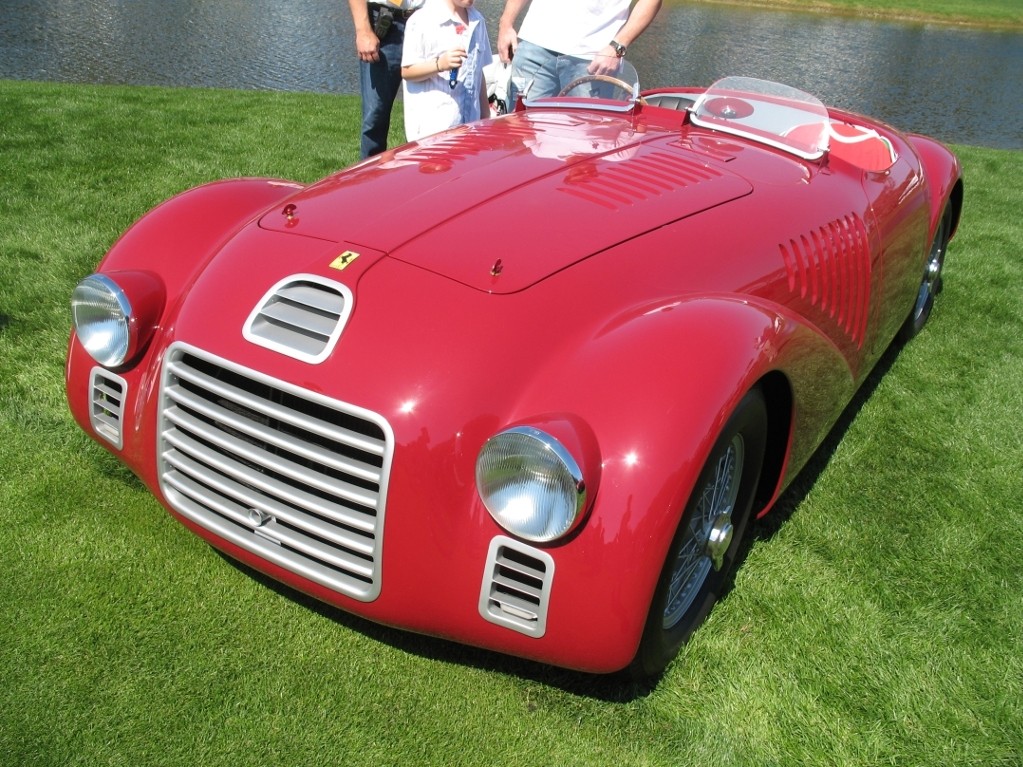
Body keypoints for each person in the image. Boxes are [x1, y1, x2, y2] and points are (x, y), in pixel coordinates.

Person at [497, 0, 662, 106]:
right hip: (533, 50)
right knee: (521, 139)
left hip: (592, 61)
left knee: (583, 144)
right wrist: (506, 23)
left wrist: (618, 46)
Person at [400, 0, 492, 142]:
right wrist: (439, 65)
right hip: (433, 132)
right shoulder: (421, 20)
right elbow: (407, 71)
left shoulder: (477, 21)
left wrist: (485, 116)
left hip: (471, 128)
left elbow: (478, 72)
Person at [348, 0, 425, 158]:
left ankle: (427, 177)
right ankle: (370, 180)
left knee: (431, 114)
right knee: (375, 117)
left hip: (428, 22)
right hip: (386, 24)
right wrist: (363, 30)